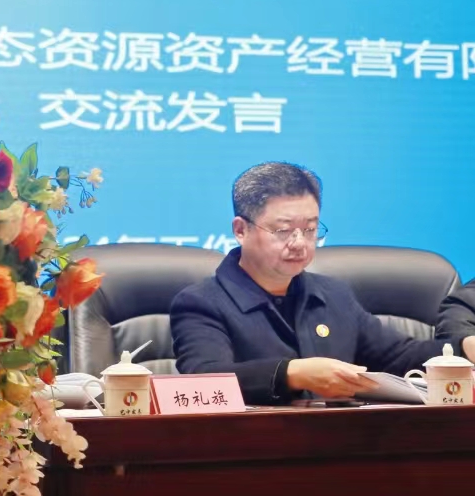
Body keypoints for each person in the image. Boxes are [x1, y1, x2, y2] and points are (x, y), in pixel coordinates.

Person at [171, 162, 468, 405]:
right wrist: (292, 374)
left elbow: (399, 356)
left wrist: (464, 347)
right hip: (251, 447)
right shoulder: (202, 302)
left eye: (310, 229)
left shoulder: (332, 294)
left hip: (338, 444)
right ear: (240, 230)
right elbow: (202, 382)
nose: (299, 243)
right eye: (283, 230)